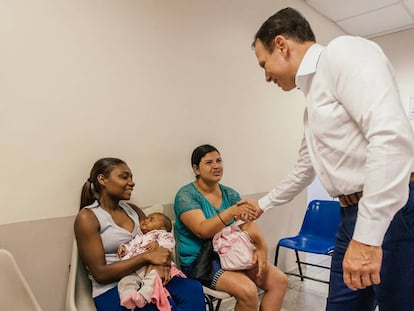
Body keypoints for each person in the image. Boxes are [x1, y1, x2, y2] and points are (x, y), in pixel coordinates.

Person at [242, 7, 414, 311]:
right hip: (348, 215)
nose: (266, 75)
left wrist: (368, 237)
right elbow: (304, 169)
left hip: (390, 211)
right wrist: (263, 203)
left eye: (263, 64)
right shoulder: (313, 105)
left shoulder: (343, 53)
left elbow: (390, 138)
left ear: (281, 45)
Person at [74, 157, 205, 311]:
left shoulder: (133, 210)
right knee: (164, 306)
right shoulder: (88, 217)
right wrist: (146, 257)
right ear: (102, 180)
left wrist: (161, 263)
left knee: (193, 290)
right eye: (124, 177)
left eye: (131, 177)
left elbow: (158, 238)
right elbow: (101, 274)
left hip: (146, 276)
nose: (132, 182)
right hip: (113, 286)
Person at [174, 144, 288, 311]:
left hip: (232, 253)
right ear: (196, 169)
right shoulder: (186, 195)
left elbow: (247, 224)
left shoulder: (230, 193)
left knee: (279, 281)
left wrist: (262, 248)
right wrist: (232, 211)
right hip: (200, 261)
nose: (216, 166)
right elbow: (202, 230)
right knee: (248, 291)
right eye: (209, 162)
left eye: (219, 161)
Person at [117, 212, 185, 311]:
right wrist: (124, 248)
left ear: (162, 228)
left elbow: (170, 244)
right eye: (147, 218)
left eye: (151, 220)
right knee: (126, 281)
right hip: (135, 267)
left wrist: (158, 243)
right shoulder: (139, 236)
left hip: (152, 266)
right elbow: (132, 245)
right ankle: (128, 296)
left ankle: (143, 296)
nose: (146, 220)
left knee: (152, 280)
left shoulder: (162, 234)